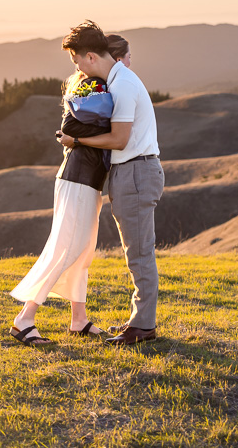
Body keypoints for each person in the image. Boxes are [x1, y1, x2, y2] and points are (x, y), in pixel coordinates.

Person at [7, 34, 129, 345]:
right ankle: (25, 319)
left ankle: (79, 320)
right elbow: (70, 128)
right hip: (77, 178)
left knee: (83, 252)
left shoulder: (105, 87)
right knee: (67, 248)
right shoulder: (93, 87)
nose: (129, 63)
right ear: (110, 58)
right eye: (126, 57)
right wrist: (95, 135)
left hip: (88, 180)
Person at [57, 21, 163, 346]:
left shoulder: (123, 85)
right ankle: (141, 322)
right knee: (137, 251)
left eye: (77, 63)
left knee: (139, 253)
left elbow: (119, 139)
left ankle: (142, 326)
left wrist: (77, 141)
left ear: (90, 57)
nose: (78, 69)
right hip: (129, 173)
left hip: (136, 172)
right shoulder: (117, 80)